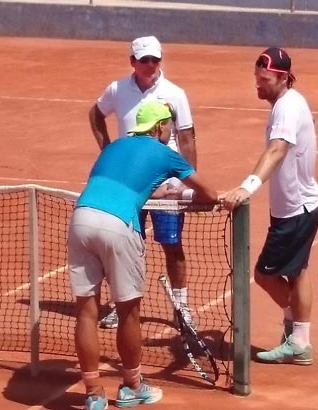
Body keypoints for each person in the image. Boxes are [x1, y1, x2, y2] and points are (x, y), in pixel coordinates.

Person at [69, 101, 219, 410]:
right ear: (160, 126)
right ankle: (132, 387)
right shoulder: (164, 152)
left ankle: (94, 394)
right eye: (168, 126)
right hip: (118, 225)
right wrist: (184, 194)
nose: (170, 131)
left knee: (86, 311)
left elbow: (118, 183)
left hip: (81, 219)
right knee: (128, 312)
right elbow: (211, 194)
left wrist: (154, 192)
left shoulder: (114, 147)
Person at [89, 35, 199, 330]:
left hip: (167, 185)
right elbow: (95, 114)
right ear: (132, 62)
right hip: (129, 185)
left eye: (155, 59)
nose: (150, 65)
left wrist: (190, 184)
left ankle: (181, 306)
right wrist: (108, 149)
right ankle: (117, 304)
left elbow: (186, 138)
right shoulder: (116, 90)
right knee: (124, 245)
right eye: (144, 60)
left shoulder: (175, 94)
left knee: (171, 245)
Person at [221, 47, 318, 366]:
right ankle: (299, 337)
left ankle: (298, 338)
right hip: (300, 206)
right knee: (297, 272)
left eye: (263, 79)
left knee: (265, 275)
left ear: (281, 77)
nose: (257, 85)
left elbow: (277, 150)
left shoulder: (286, 108)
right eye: (256, 78)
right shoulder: (292, 102)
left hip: (295, 211)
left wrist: (246, 187)